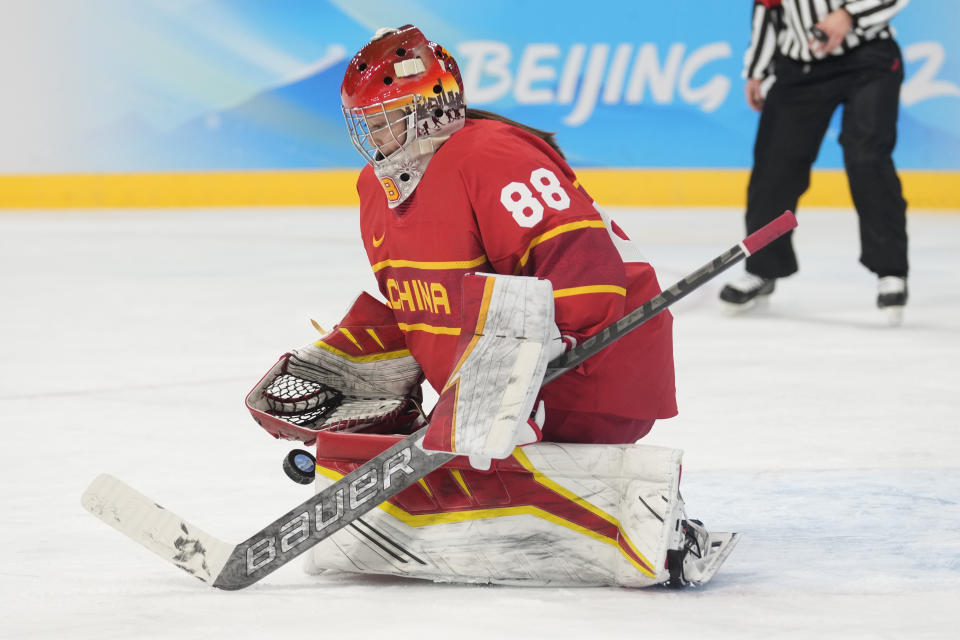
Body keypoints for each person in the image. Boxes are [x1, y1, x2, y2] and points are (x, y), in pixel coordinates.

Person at [246, 25, 738, 588]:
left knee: (471, 470)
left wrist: (519, 384)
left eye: (387, 117)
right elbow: (419, 303)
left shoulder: (490, 155)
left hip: (593, 368)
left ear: (431, 110)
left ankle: (648, 526)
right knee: (422, 466)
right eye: (368, 122)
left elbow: (582, 268)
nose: (375, 134)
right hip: (496, 384)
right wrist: (366, 356)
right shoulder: (375, 188)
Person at [721, 0, 910, 324]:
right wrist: (758, 69)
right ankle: (763, 267)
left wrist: (849, 15)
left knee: (867, 158)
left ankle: (891, 271)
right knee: (774, 167)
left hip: (868, 59)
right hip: (800, 66)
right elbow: (768, 8)